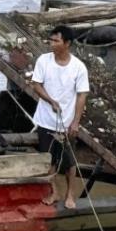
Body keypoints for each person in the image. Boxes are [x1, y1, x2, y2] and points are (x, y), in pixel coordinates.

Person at [30, 25, 89, 209]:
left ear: (67, 43)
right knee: (49, 159)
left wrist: (75, 122)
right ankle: (54, 191)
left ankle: (70, 194)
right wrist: (50, 100)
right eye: (51, 40)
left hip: (66, 123)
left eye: (56, 41)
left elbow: (82, 95)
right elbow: (36, 84)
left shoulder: (78, 67)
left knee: (69, 162)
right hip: (45, 119)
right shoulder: (43, 60)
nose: (52, 44)